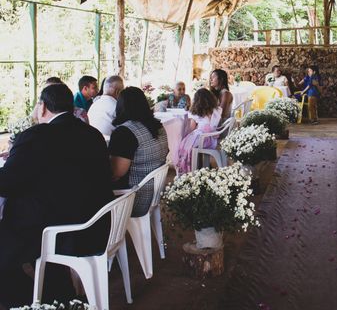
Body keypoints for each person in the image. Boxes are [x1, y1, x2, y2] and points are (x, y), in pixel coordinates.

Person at [0, 84, 113, 307]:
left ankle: (31, 301)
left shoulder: (34, 136)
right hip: (97, 224)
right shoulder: (93, 134)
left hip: (59, 231)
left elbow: (6, 183)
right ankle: (58, 296)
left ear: (42, 107)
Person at [108, 87, 169, 217]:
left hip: (134, 198)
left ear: (121, 107)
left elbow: (117, 172)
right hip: (154, 193)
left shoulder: (124, 132)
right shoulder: (158, 126)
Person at [176, 88, 223, 174]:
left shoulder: (196, 113)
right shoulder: (217, 110)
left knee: (184, 143)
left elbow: (191, 128)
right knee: (189, 142)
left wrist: (185, 131)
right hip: (212, 139)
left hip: (202, 139)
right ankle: (199, 165)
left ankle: (188, 168)